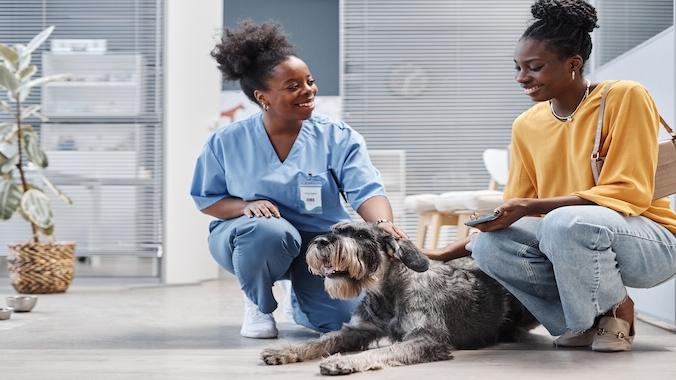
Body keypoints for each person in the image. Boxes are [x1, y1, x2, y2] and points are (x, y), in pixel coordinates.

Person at [425, 0, 676, 352]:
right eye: (518, 68)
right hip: (573, 239)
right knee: (488, 245)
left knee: (564, 221)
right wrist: (441, 254)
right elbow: (513, 213)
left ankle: (618, 309)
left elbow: (628, 192)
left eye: (535, 67)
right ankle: (588, 320)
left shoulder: (622, 96)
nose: (521, 78)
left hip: (650, 242)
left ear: (573, 64)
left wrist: (532, 205)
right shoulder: (526, 125)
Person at [190, 20, 406, 339]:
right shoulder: (227, 141)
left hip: (320, 241)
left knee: (343, 323)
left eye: (309, 81)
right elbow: (208, 200)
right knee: (268, 232)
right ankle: (259, 302)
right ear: (263, 97)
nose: (308, 91)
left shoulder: (338, 137)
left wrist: (383, 223)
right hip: (252, 240)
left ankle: (303, 299)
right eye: (293, 86)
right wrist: (245, 206)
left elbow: (366, 190)